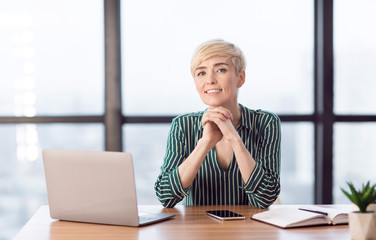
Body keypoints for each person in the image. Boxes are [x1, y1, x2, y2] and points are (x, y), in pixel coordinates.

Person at [154, 39, 281, 209]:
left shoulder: (266, 122)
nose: (210, 80)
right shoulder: (183, 125)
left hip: (249, 231)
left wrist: (235, 140)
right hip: (198, 232)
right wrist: (204, 144)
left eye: (221, 70)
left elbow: (265, 198)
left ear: (240, 78)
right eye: (201, 73)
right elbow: (165, 196)